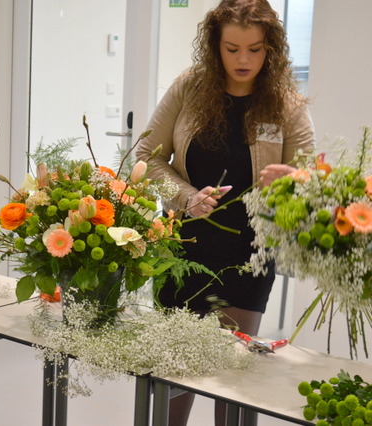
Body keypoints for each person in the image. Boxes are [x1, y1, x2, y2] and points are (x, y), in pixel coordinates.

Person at [136, 0, 314, 424]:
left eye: (255, 49)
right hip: (183, 250)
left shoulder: (285, 103)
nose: (243, 60)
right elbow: (146, 158)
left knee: (235, 377)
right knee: (174, 373)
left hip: (249, 256)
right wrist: (186, 197)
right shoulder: (189, 88)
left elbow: (311, 180)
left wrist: (292, 179)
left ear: (271, 48)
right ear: (215, 46)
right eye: (232, 49)